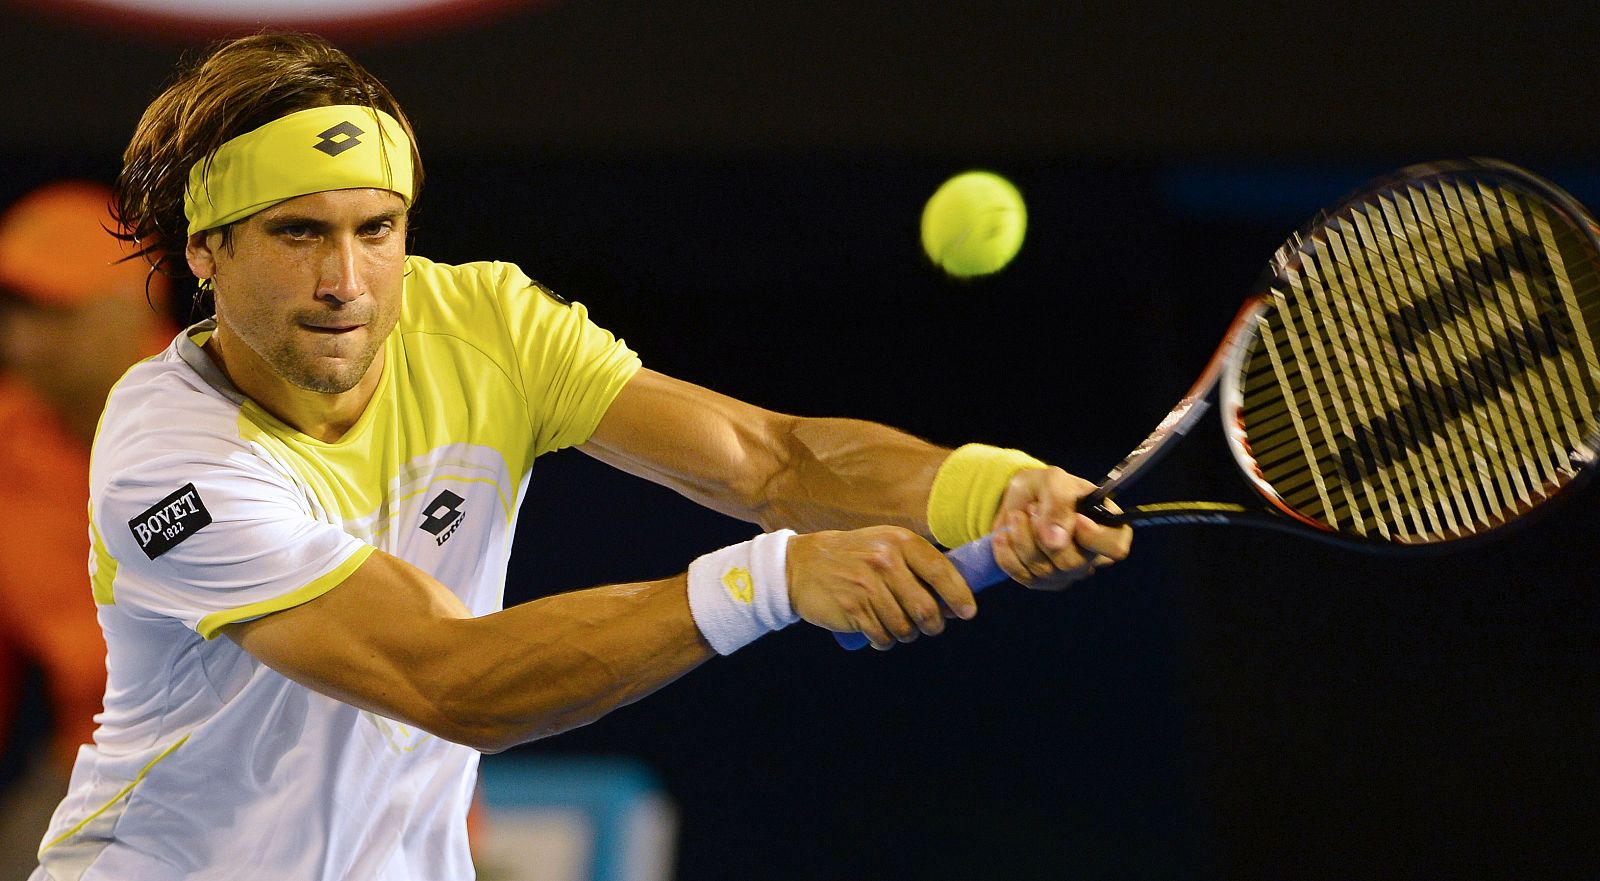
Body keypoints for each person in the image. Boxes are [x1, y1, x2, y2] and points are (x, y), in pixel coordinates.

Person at [30, 33, 1131, 881]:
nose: (347, 282)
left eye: (377, 228)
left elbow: (766, 457)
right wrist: (771, 578)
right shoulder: (165, 462)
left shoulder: (486, 324)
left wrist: (992, 486)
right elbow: (446, 679)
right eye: (299, 233)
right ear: (205, 250)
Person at [0, 181, 174, 880]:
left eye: (54, 313)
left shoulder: (234, 415)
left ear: (130, 308)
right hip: (93, 765)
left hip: (256, 760)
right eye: (14, 311)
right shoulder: (7, 444)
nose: (22, 340)